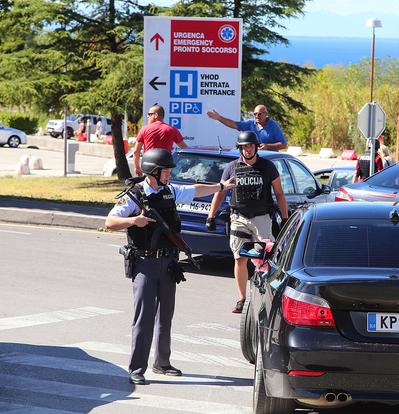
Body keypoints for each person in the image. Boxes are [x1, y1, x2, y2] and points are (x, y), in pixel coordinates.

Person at [105, 148, 234, 385]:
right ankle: (136, 368)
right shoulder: (134, 196)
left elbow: (195, 190)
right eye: (166, 170)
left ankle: (162, 363)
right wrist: (134, 220)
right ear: (153, 171)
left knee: (166, 315)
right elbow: (110, 222)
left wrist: (221, 186)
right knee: (143, 317)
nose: (170, 173)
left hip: (168, 262)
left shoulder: (169, 191)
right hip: (144, 262)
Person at [205, 131, 289, 314]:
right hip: (239, 217)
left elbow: (280, 194)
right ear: (240, 148)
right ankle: (242, 298)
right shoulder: (231, 168)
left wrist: (285, 219)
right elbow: (220, 192)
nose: (248, 149)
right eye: (244, 146)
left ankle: (265, 295)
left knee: (263, 260)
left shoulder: (268, 167)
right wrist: (211, 216)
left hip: (261, 217)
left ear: (256, 147)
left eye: (250, 146)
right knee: (240, 258)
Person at [133, 104, 189, 176]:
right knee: (164, 186)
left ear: (155, 115)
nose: (147, 117)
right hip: (165, 167)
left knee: (149, 186)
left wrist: (137, 167)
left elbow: (136, 151)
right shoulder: (172, 129)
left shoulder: (144, 129)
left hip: (149, 166)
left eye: (149, 114)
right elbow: (184, 148)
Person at [206, 104, 287, 151]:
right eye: (255, 114)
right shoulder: (250, 123)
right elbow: (233, 124)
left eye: (259, 114)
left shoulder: (273, 125)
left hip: (270, 161)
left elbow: (284, 144)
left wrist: (268, 146)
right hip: (253, 160)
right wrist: (219, 118)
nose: (256, 116)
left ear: (265, 114)